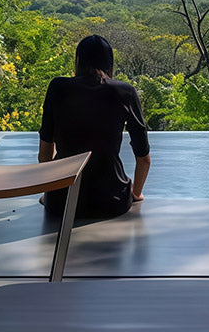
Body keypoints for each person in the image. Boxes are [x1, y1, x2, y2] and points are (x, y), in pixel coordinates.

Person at [38, 34, 151, 218]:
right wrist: (136, 194)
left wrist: (50, 195)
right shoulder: (125, 92)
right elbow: (144, 159)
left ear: (78, 62)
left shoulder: (58, 88)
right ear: (110, 64)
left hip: (62, 202)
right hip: (112, 201)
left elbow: (44, 155)